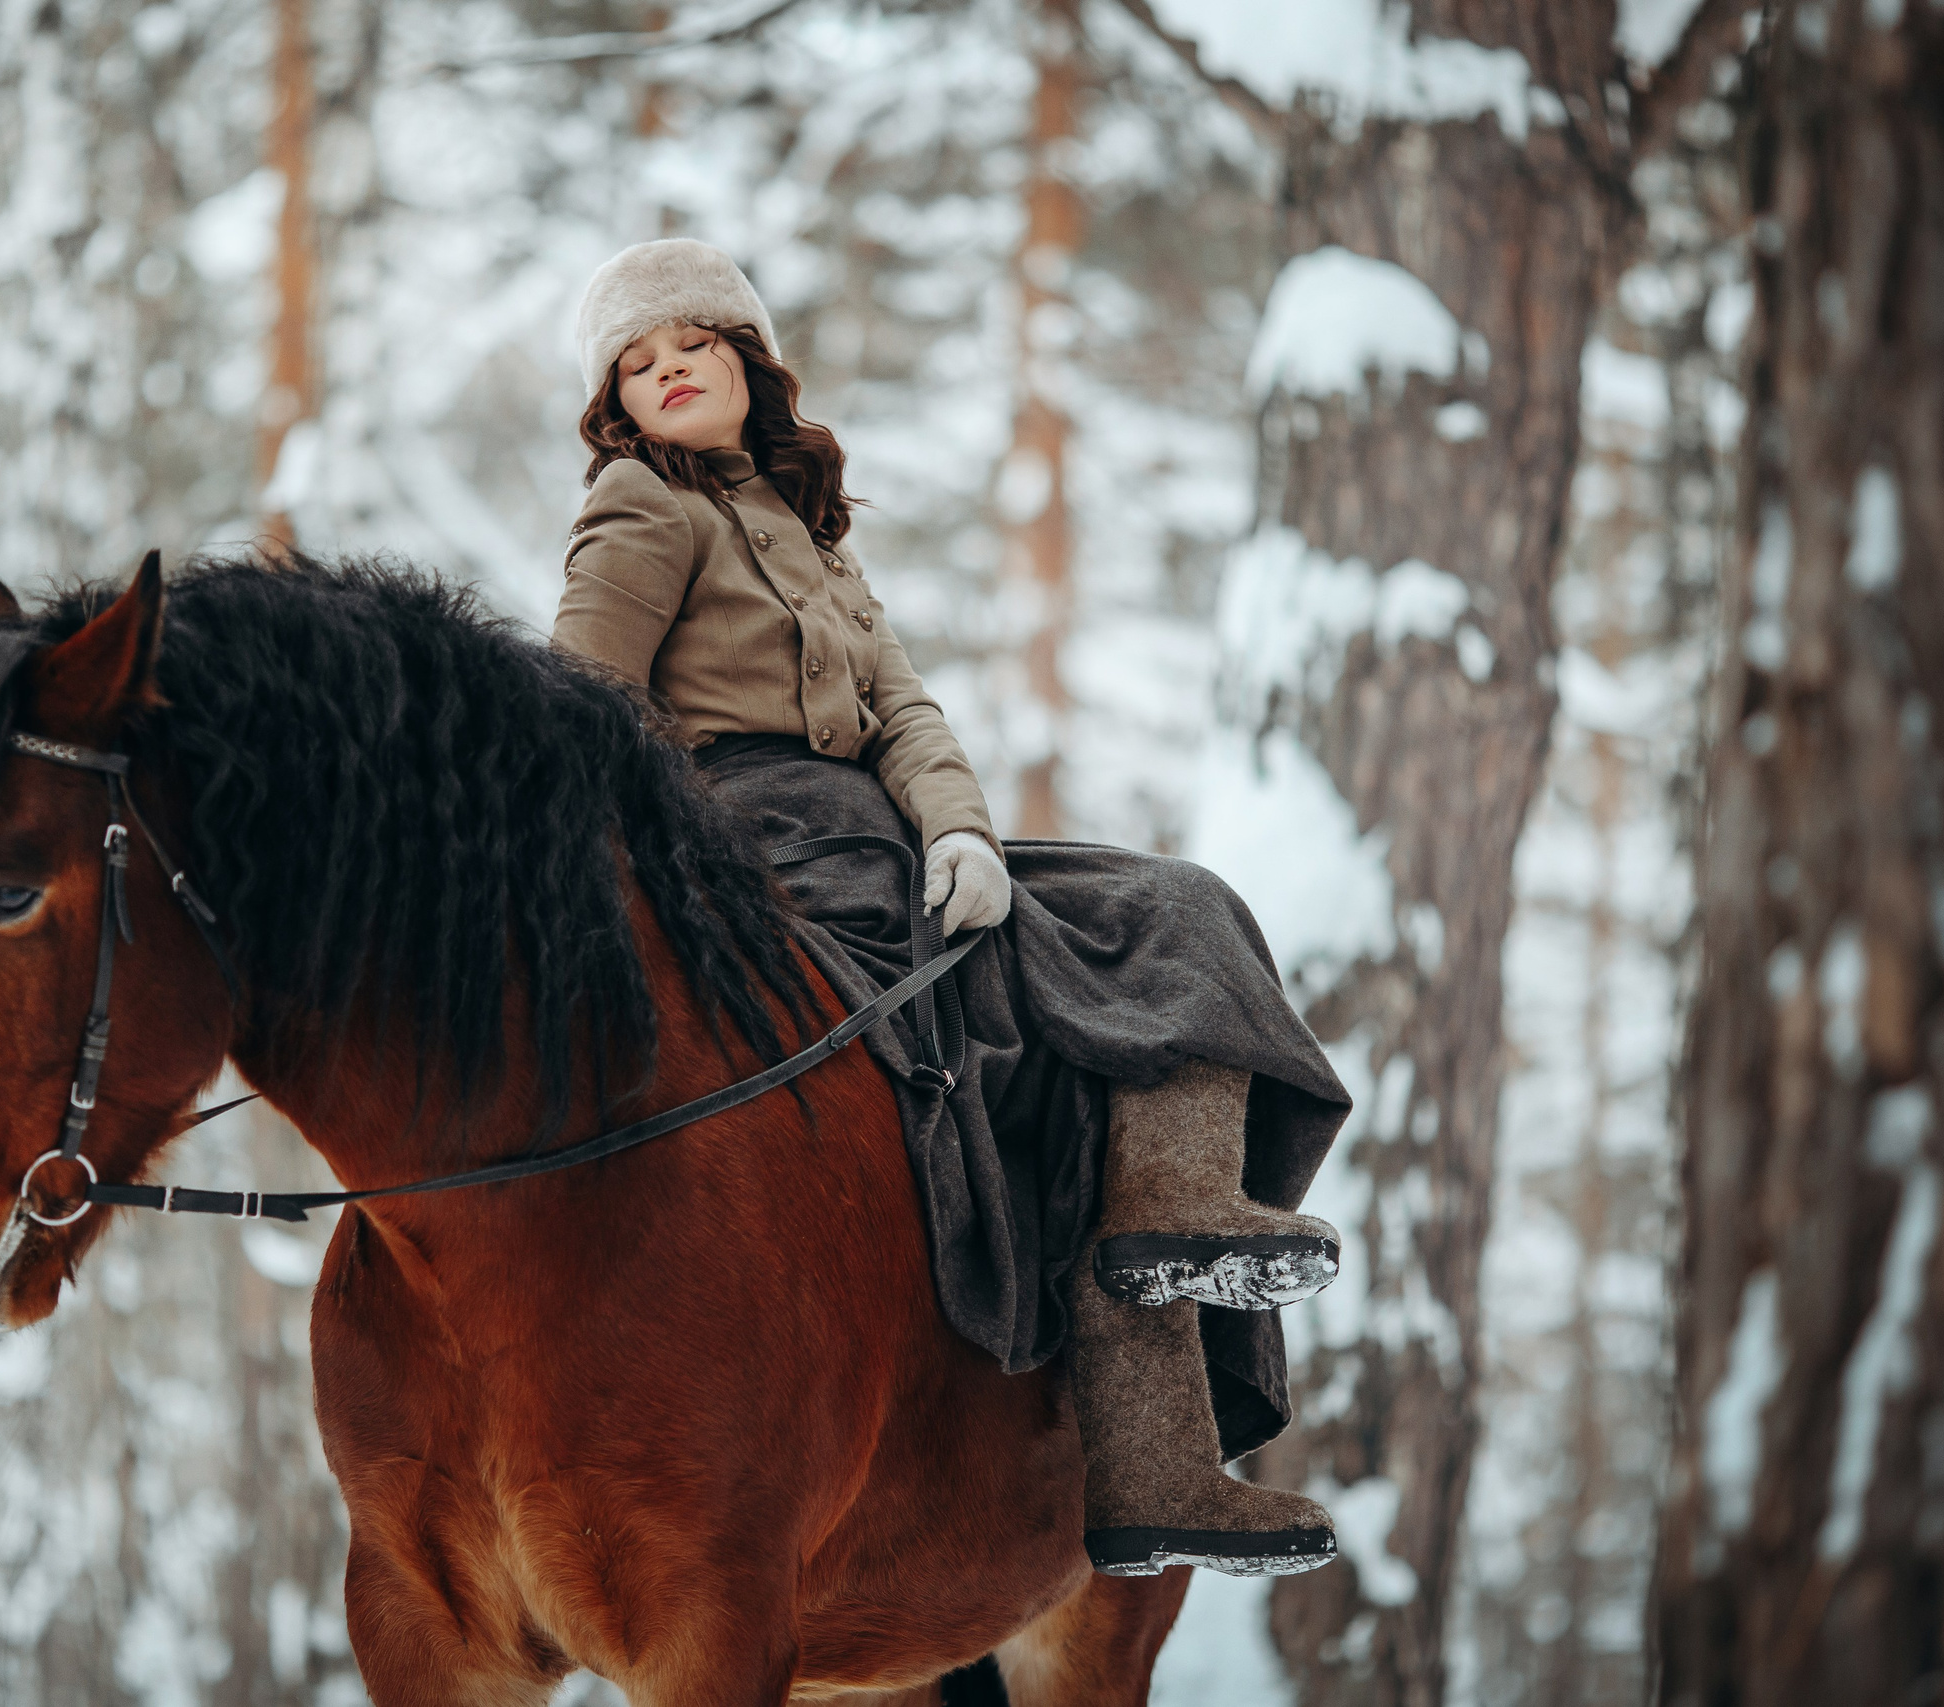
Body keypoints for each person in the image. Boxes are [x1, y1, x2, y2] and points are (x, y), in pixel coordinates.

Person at [551, 238, 1348, 1578]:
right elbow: (580, 713)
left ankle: (1166, 1307)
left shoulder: (809, 531)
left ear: (751, 360)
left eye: (690, 339)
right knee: (1049, 1010)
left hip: (884, 838)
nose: (665, 367)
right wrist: (658, 876)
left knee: (1178, 909)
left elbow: (905, 710)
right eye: (634, 362)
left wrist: (965, 833)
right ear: (616, 408)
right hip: (744, 846)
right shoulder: (645, 507)